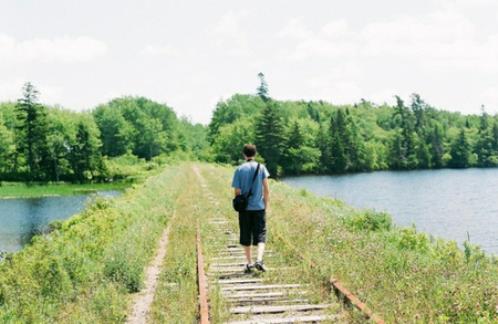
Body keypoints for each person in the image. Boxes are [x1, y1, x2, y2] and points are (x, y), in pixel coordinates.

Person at [231, 144, 270, 273]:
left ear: (244, 154)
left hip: (245, 210)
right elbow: (266, 190)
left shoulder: (239, 169)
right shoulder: (261, 168)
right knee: (261, 235)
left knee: (246, 235)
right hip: (259, 208)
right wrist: (266, 206)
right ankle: (259, 259)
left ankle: (249, 263)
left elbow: (237, 191)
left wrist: (241, 202)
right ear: (255, 154)